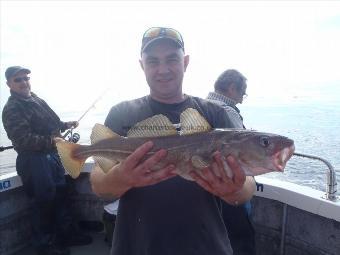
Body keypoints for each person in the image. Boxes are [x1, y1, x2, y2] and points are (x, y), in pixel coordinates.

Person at [90, 27, 256, 255]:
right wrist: (120, 178)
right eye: (153, 61)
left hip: (205, 246)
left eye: (172, 59)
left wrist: (234, 189)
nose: (163, 69)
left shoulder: (215, 114)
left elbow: (248, 186)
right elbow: (99, 184)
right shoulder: (122, 113)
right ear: (142, 66)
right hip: (137, 246)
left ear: (185, 62)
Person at [2, 66, 92, 255]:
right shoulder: (12, 108)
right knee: (43, 203)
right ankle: (45, 245)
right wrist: (53, 140)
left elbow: (52, 122)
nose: (23, 82)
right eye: (17, 80)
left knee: (61, 195)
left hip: (52, 157)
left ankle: (67, 234)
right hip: (34, 161)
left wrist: (65, 125)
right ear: (8, 84)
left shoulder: (36, 99)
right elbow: (23, 141)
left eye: (26, 78)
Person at [207, 69, 256, 255]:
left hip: (211, 192)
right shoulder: (226, 111)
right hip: (231, 189)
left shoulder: (202, 106)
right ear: (232, 88)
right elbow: (240, 151)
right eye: (242, 93)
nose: (243, 99)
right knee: (240, 242)